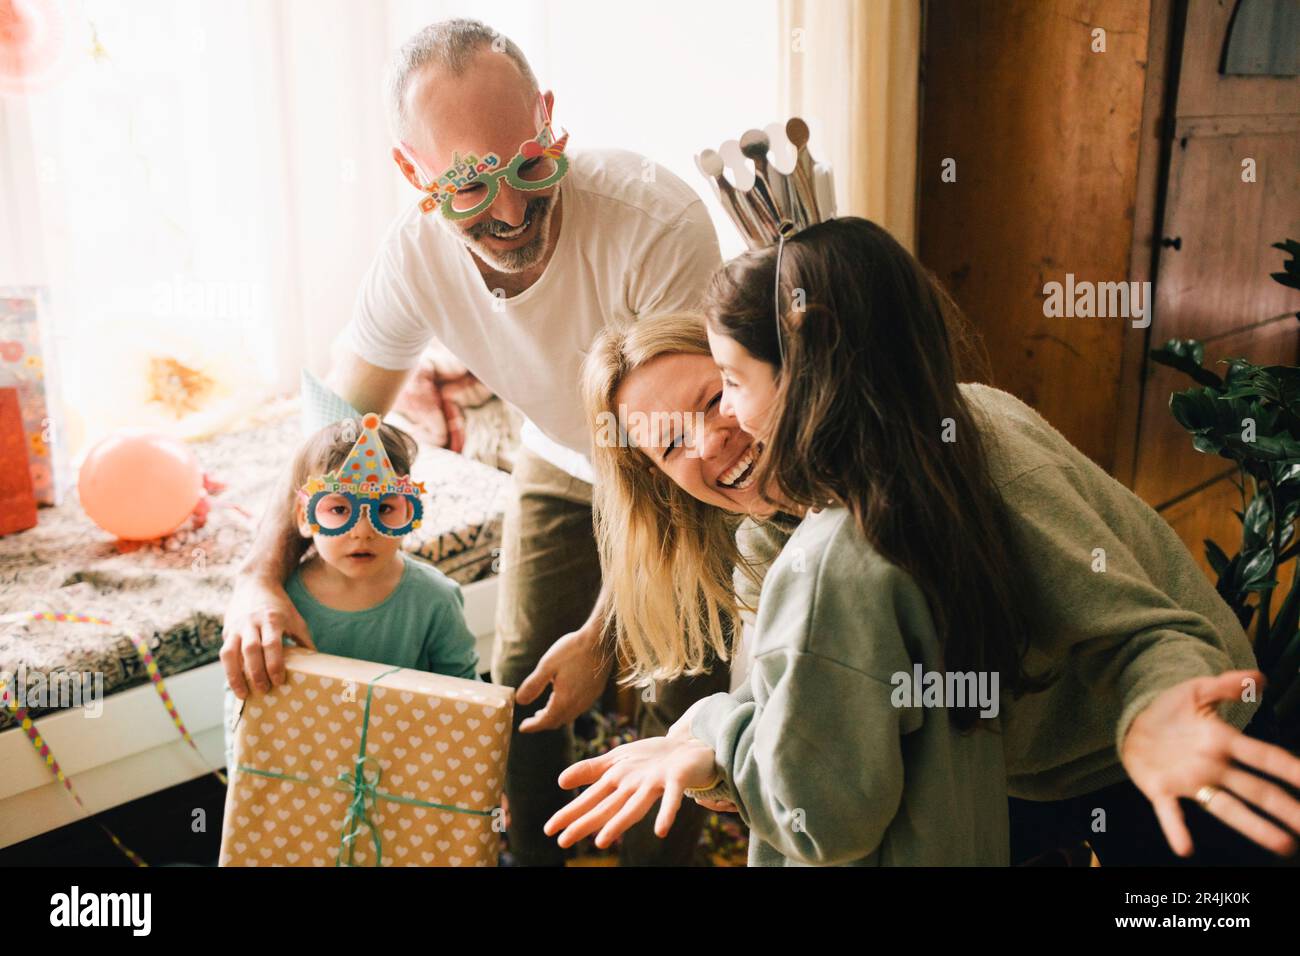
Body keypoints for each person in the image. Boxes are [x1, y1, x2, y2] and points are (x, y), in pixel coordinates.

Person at [547, 217, 1300, 864]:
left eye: (720, 392)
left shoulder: (977, 448)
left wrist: (1157, 718)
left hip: (1163, 746)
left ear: (800, 371)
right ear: (661, 484)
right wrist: (710, 743)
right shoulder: (771, 550)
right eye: (672, 445)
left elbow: (1141, 633)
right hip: (1011, 770)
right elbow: (801, 732)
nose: (718, 437)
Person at [219, 18, 724, 866]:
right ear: (411, 172)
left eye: (532, 166)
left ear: (550, 118)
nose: (514, 211)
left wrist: (608, 635)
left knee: (675, 686)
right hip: (565, 456)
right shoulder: (413, 257)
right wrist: (257, 575)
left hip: (691, 468)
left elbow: (682, 461)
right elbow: (336, 432)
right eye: (468, 189)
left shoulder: (653, 220)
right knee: (519, 686)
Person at [223, 414, 480, 782]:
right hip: (304, 771)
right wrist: (244, 783)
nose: (362, 531)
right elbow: (248, 702)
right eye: (339, 509)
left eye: (384, 509)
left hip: (404, 768)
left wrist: (477, 778)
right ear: (304, 517)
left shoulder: (434, 599)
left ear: (410, 512)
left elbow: (466, 696)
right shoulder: (279, 607)